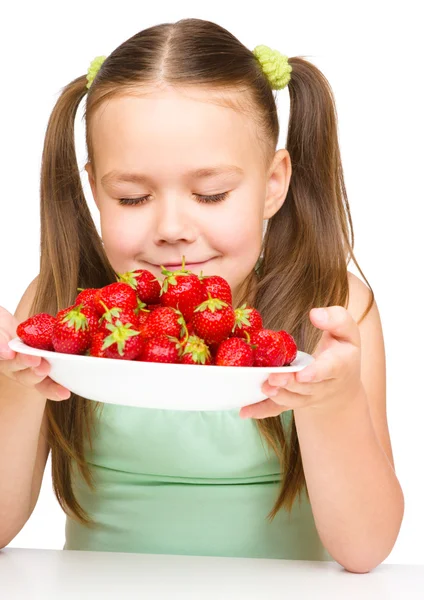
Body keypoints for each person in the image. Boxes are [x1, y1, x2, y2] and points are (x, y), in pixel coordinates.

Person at [0, 18, 404, 572]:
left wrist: (333, 404)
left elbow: (367, 550)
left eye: (211, 195)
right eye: (133, 197)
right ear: (95, 190)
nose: (172, 227)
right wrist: (16, 386)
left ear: (273, 183)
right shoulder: (56, 307)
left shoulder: (331, 310)